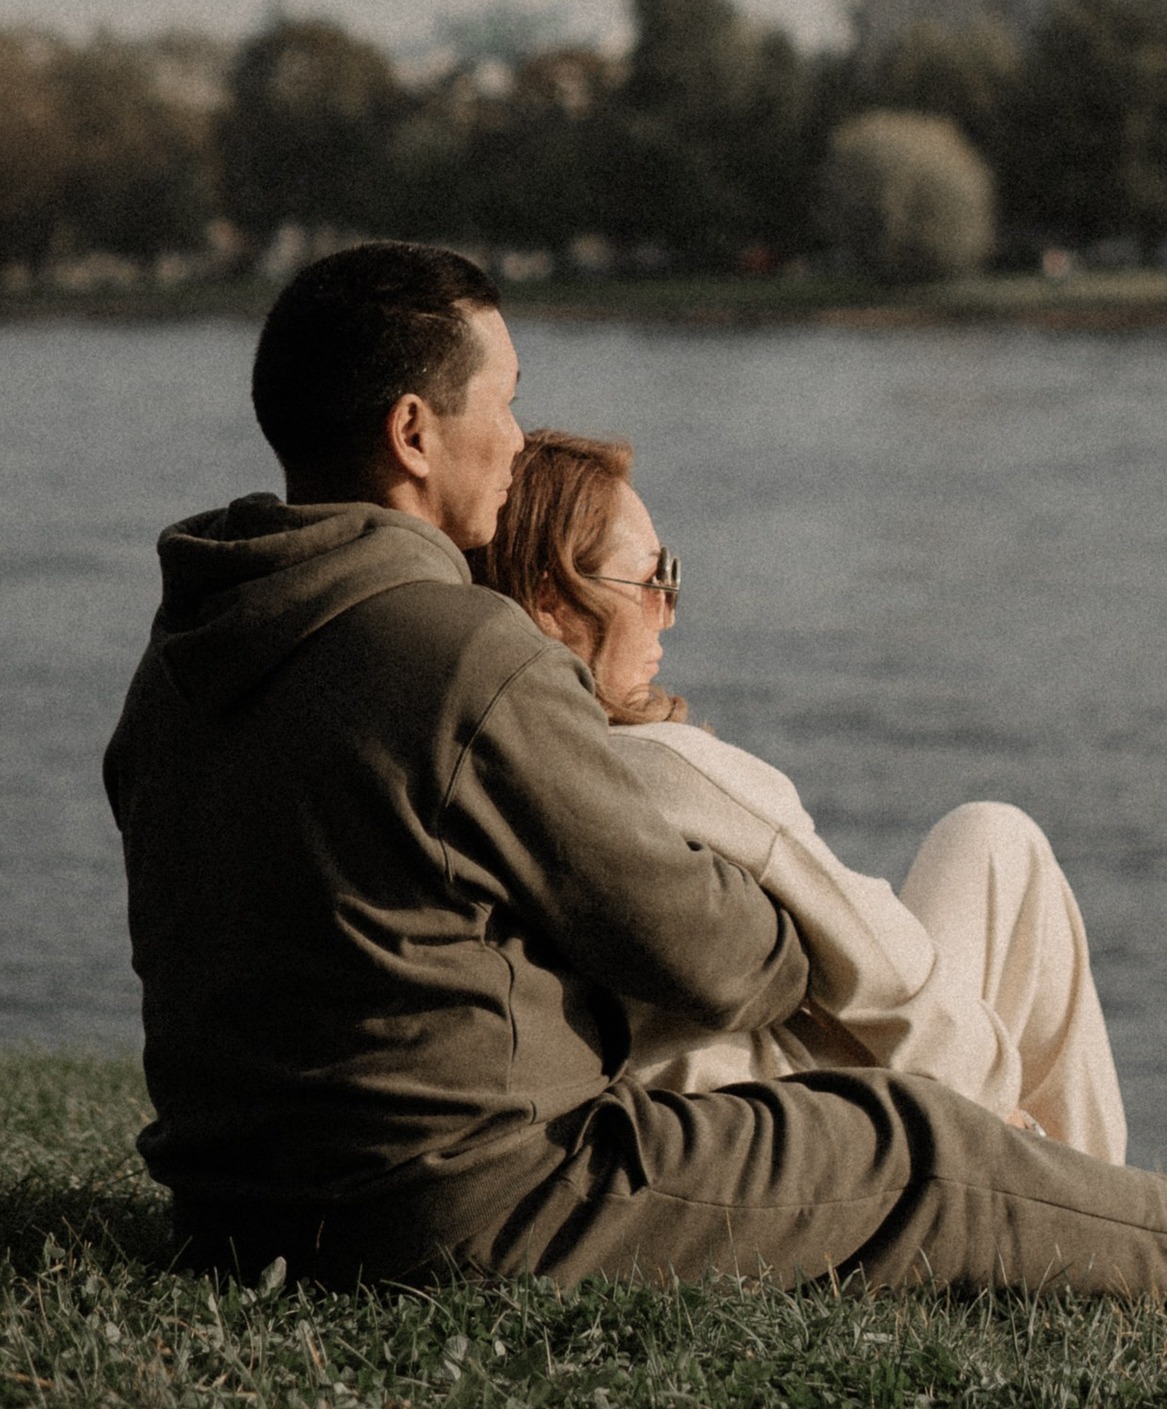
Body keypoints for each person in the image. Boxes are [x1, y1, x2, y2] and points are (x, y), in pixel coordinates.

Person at [104, 239, 1167, 1300]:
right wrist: (793, 932)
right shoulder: (455, 651)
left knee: (882, 1098)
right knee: (909, 1148)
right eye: (505, 402)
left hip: (238, 1209)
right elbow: (703, 950)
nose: (519, 439)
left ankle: (1159, 1240)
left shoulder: (184, 657)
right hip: (456, 1210)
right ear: (414, 432)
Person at [476, 427, 1128, 1159]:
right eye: (652, 580)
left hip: (666, 1106)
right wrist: (1001, 1114)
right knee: (997, 842)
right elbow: (876, 965)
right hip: (791, 1116)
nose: (669, 610)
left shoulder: (486, 760)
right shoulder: (657, 767)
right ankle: (1098, 1192)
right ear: (553, 603)